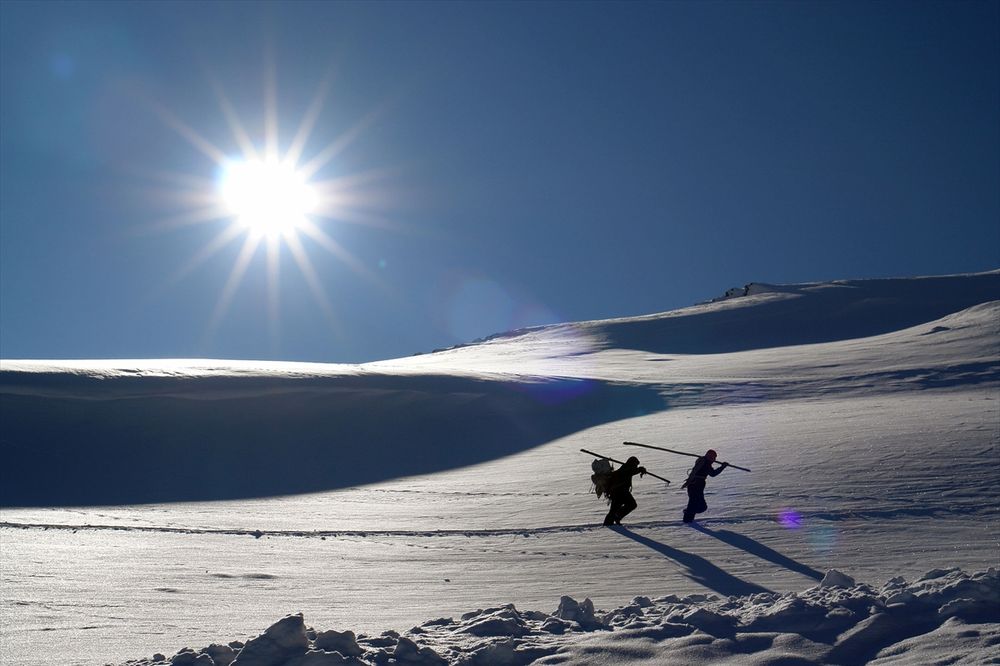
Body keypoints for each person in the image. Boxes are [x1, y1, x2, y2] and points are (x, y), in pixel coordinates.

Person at [681, 449, 728, 523]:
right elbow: (713, 474)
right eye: (712, 457)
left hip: (695, 485)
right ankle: (687, 520)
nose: (713, 460)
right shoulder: (705, 463)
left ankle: (688, 517)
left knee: (697, 505)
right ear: (708, 456)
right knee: (697, 505)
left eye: (714, 458)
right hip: (696, 485)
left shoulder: (702, 461)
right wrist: (722, 467)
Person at [603, 456, 647, 526]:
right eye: (636, 464)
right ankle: (613, 520)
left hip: (619, 492)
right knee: (632, 504)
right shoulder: (626, 468)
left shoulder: (626, 467)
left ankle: (611, 521)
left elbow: (632, 471)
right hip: (620, 492)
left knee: (614, 510)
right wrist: (640, 469)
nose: (636, 466)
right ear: (632, 463)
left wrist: (639, 469)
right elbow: (630, 472)